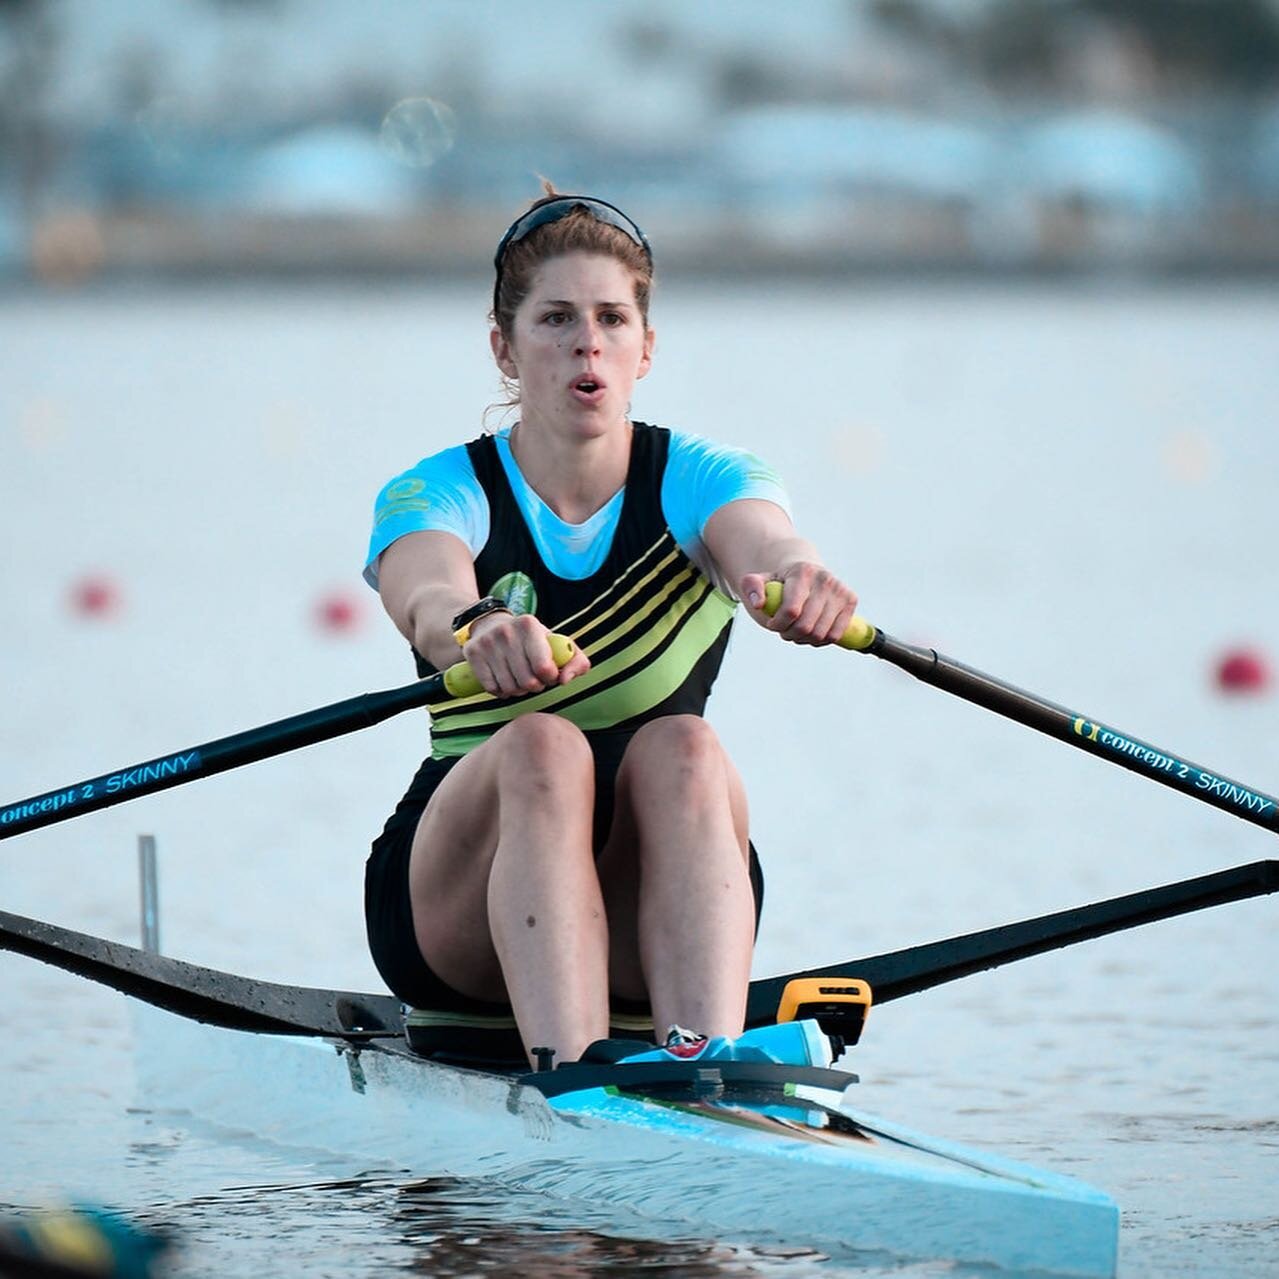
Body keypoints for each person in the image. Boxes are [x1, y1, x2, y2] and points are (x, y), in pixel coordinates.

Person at [363, 188, 858, 1068]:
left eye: (609, 318)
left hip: (644, 898)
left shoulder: (705, 476)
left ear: (644, 347)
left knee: (685, 746)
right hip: (456, 913)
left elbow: (770, 542)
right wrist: (476, 624)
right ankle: (572, 1076)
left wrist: (798, 578)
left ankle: (702, 1061)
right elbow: (426, 595)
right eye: (554, 319)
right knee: (542, 744)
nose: (586, 342)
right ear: (503, 348)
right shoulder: (435, 490)